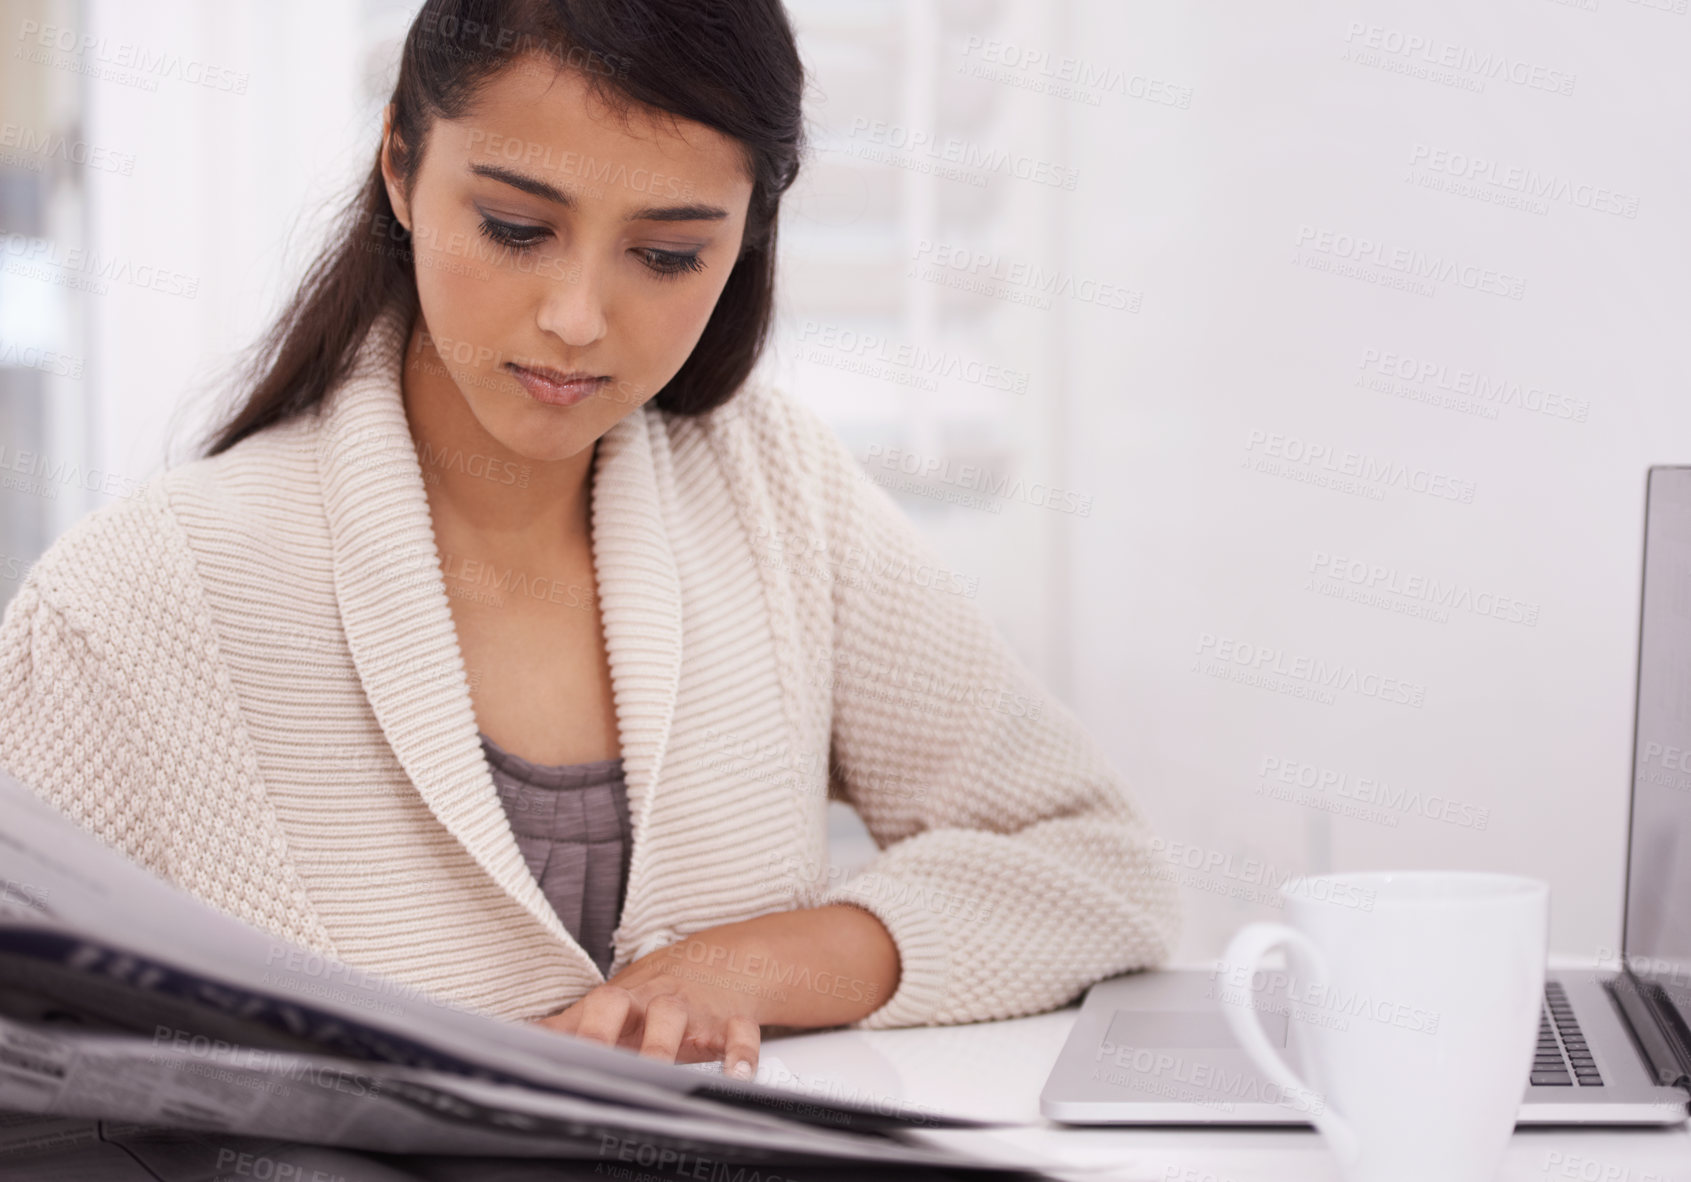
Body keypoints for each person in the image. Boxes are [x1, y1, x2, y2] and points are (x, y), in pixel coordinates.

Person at [0, 0, 1179, 1083]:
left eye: (667, 255)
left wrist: (732, 972)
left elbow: (1089, 863)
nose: (575, 319)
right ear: (401, 166)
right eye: (516, 227)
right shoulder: (134, 601)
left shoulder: (775, 492)